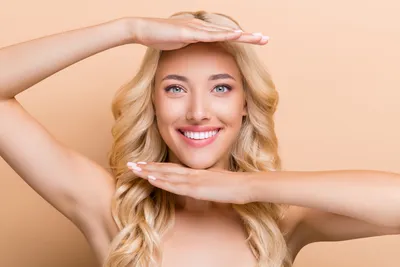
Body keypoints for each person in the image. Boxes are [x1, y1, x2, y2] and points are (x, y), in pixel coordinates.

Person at [0, 10, 399, 267]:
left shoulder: (281, 220)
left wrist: (245, 187)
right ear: (152, 104)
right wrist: (129, 30)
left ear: (246, 104)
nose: (197, 111)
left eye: (221, 88)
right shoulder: (112, 210)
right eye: (175, 89)